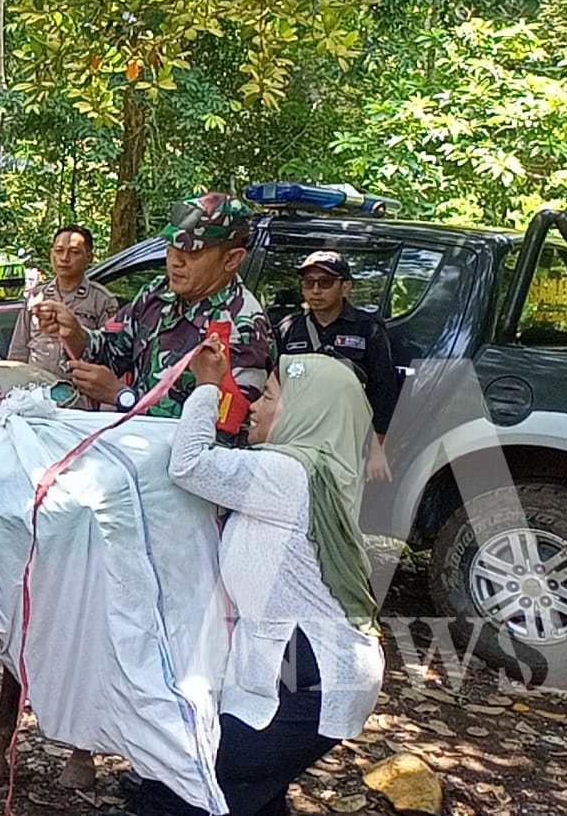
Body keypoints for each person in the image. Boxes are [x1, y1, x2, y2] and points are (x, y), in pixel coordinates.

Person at [126, 343, 384, 816]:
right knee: (253, 786)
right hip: (302, 664)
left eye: (268, 396)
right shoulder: (321, 469)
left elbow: (189, 464)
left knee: (192, 785)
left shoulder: (289, 474)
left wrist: (207, 385)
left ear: (306, 410)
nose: (254, 407)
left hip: (310, 672)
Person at [37, 193, 275, 421]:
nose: (175, 261)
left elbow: (218, 429)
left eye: (191, 252)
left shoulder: (242, 327)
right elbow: (111, 351)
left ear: (231, 259)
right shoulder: (158, 293)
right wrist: (75, 334)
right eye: (171, 247)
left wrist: (123, 397)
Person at [278, 251, 397, 482]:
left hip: (348, 436)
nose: (315, 290)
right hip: (298, 434)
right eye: (308, 283)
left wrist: (376, 450)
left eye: (325, 282)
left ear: (345, 287)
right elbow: (275, 389)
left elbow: (383, 391)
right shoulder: (289, 328)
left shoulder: (367, 329)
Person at [10, 225, 119, 378]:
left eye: (74, 252)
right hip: (37, 389)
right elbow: (19, 349)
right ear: (51, 254)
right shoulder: (37, 295)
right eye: (59, 251)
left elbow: (112, 353)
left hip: (79, 392)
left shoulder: (102, 301)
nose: (64, 258)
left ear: (89, 257)